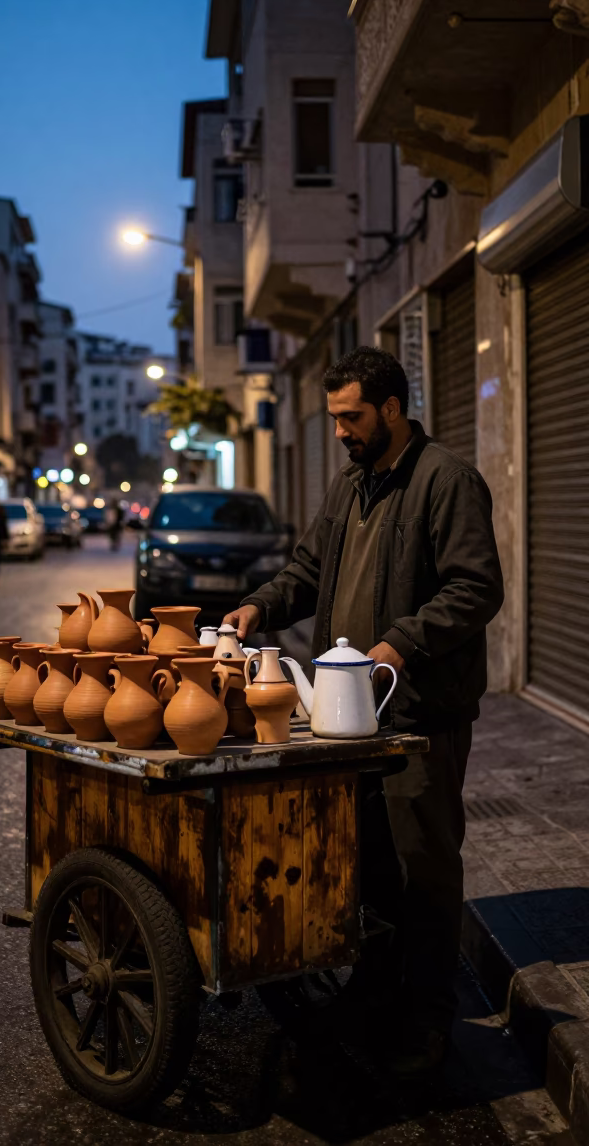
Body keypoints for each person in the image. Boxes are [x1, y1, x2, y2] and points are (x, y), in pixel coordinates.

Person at [225, 347, 504, 1075]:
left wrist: (400, 643)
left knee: (424, 872)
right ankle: (377, 994)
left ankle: (428, 1023)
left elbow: (476, 588)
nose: (342, 431)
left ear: (390, 408)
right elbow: (308, 571)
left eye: (351, 417)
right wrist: (259, 605)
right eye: (335, 418)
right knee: (369, 869)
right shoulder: (350, 485)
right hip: (352, 720)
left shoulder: (448, 481)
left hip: (419, 716)